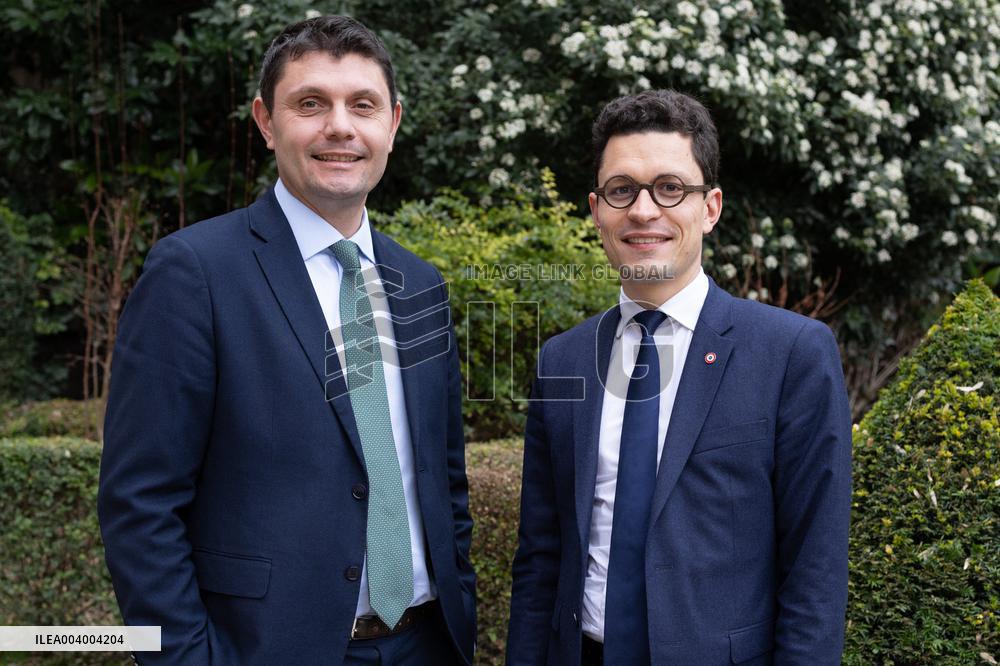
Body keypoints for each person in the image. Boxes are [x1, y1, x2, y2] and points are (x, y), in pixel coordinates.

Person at [98, 15, 475, 665]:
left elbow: (444, 480)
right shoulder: (193, 274)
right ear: (266, 123)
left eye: (363, 104)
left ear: (393, 123)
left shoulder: (420, 284)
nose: (339, 126)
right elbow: (140, 507)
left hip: (429, 644)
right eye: (310, 104)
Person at [506, 90, 851, 665]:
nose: (644, 211)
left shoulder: (791, 353)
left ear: (710, 207)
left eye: (670, 188)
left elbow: (815, 565)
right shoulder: (563, 360)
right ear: (596, 209)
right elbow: (540, 557)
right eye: (622, 190)